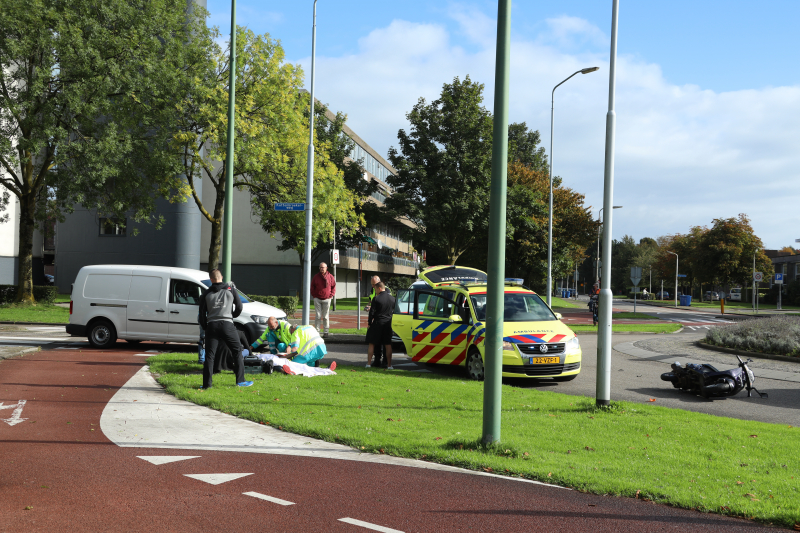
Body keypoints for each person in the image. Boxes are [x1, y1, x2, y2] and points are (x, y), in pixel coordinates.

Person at [198, 269, 253, 389]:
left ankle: (207, 385)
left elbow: (201, 314)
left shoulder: (206, 293)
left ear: (211, 279)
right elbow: (239, 307)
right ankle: (240, 381)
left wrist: (206, 327)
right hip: (227, 324)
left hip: (212, 325)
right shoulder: (230, 289)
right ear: (221, 277)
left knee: (210, 355)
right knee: (237, 350)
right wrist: (231, 316)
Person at [366, 282, 395, 370]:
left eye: (375, 289)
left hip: (377, 323)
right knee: (388, 344)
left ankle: (368, 364)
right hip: (388, 323)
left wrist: (369, 323)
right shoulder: (393, 299)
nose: (375, 291)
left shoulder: (376, 299)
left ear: (379, 288)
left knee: (372, 343)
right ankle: (389, 365)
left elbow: (372, 313)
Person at [310, 262, 336, 338]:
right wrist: (314, 296)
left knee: (325, 316)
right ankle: (317, 331)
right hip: (317, 299)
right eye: (320, 267)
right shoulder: (316, 277)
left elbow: (334, 287)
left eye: (323, 267)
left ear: (326, 268)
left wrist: (331, 295)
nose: (322, 269)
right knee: (318, 315)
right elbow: (312, 287)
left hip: (327, 299)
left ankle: (326, 332)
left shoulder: (330, 277)